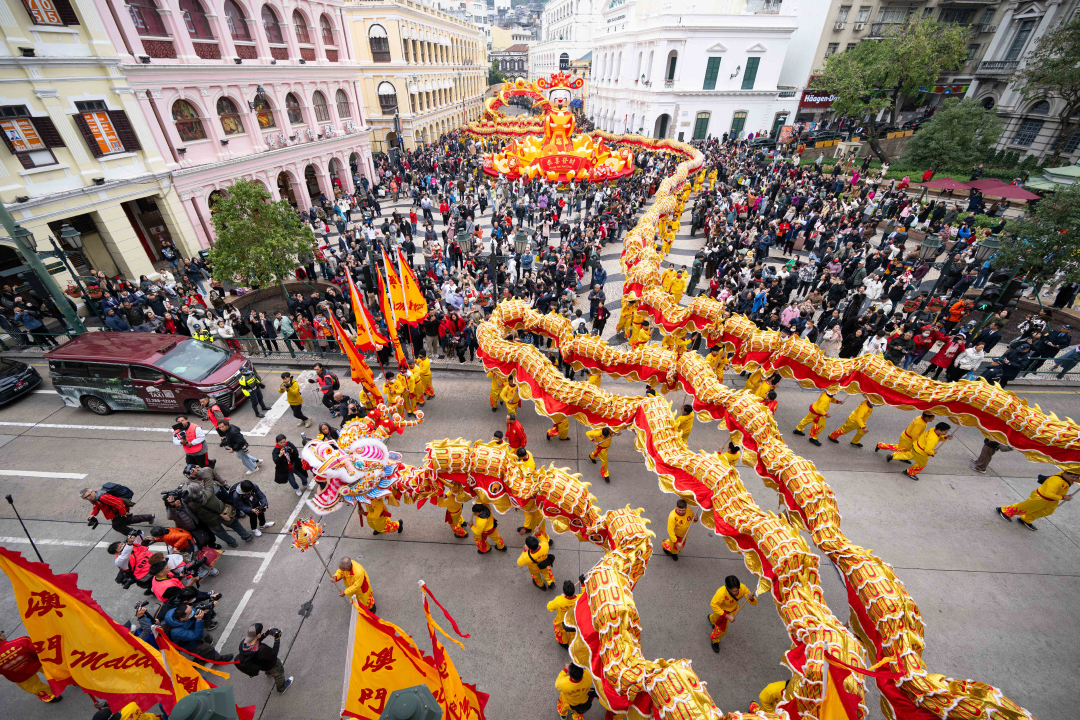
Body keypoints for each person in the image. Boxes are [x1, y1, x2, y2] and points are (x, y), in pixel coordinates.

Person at [997, 470, 1077, 530]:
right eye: (1073, 477)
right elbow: (1048, 494)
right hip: (1041, 498)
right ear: (1065, 473)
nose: (1075, 479)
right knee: (1025, 507)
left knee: (1047, 511)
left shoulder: (1066, 477)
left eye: (1077, 477)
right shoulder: (1056, 481)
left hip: (1052, 500)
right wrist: (1063, 498)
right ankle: (1005, 511)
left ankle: (1026, 519)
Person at [0, 629, 62, 703]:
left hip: (19, 676)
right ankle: (67, 679)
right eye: (2, 632)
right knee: (53, 671)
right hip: (36, 663)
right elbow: (38, 650)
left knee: (35, 687)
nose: (3, 633)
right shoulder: (21, 641)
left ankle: (50, 696)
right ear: (1, 637)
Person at [184, 480, 253, 547]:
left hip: (211, 520)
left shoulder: (192, 504)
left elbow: (188, 506)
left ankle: (232, 543)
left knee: (220, 532)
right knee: (234, 524)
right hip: (223, 512)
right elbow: (208, 480)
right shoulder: (209, 491)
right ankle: (246, 536)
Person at [163, 602, 233, 662]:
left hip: (194, 631)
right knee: (208, 648)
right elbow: (196, 636)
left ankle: (201, 656)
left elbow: (196, 613)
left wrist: (207, 611)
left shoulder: (184, 612)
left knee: (208, 638)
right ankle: (218, 659)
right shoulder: (176, 632)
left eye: (191, 608)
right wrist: (199, 620)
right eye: (190, 612)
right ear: (182, 618)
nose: (193, 612)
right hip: (190, 644)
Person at [235, 624, 293, 694]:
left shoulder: (243, 644)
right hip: (271, 664)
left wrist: (265, 634)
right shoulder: (262, 650)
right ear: (258, 635)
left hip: (261, 665)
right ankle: (281, 688)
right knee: (279, 674)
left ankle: (268, 673)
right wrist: (277, 639)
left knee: (267, 668)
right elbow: (274, 654)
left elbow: (256, 641)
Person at [708, 574, 757, 652]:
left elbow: (754, 602)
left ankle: (714, 636)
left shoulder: (742, 588)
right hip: (721, 610)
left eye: (737, 590)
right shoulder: (721, 593)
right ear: (727, 588)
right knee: (717, 620)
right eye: (733, 591)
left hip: (731, 612)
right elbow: (713, 605)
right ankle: (715, 640)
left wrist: (751, 598)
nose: (736, 593)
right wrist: (726, 615)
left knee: (721, 630)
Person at [887, 422, 952, 481]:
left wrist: (945, 437)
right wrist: (933, 452)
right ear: (939, 430)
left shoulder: (932, 429)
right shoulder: (933, 439)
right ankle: (909, 473)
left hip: (916, 446)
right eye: (945, 432)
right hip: (921, 453)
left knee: (909, 455)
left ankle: (893, 456)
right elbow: (928, 450)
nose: (946, 433)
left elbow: (939, 437)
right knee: (921, 464)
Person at [80, 485, 154, 535]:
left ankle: (133, 534)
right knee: (127, 521)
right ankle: (149, 517)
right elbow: (97, 506)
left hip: (118, 512)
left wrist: (123, 513)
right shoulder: (94, 498)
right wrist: (93, 514)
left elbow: (119, 503)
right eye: (85, 498)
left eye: (88, 495)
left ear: (92, 491)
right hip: (117, 512)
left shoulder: (102, 497)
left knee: (117, 526)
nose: (88, 498)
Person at [546, 579, 580, 648]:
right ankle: (572, 645)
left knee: (560, 631)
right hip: (574, 621)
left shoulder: (559, 600)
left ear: (564, 592)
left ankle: (563, 642)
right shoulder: (579, 598)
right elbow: (586, 595)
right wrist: (582, 583)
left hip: (561, 621)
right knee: (573, 633)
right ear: (574, 590)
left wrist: (561, 597)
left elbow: (549, 607)